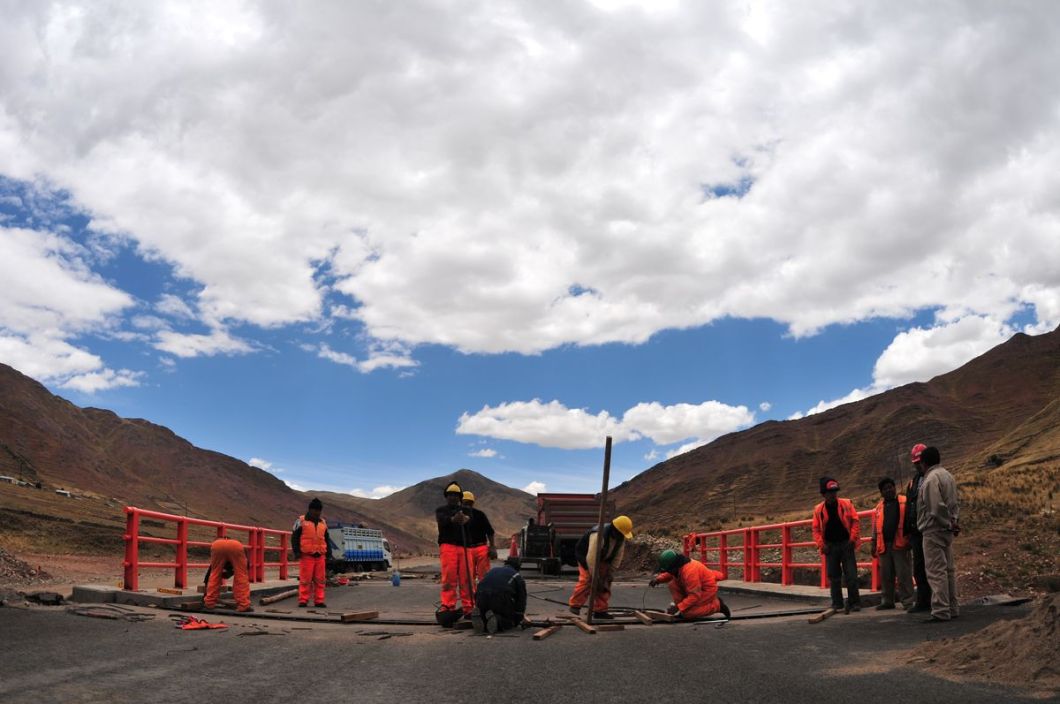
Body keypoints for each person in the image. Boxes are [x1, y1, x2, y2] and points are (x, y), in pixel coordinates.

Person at [916, 446, 960, 622]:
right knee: (949, 570)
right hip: (947, 529)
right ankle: (952, 607)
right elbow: (954, 503)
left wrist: (946, 522)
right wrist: (954, 522)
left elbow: (935, 508)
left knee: (936, 571)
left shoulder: (930, 480)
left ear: (924, 463)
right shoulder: (948, 476)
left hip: (933, 529)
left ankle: (941, 609)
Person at [568, 515, 633, 619]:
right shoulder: (598, 535)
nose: (622, 536)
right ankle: (575, 605)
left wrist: (609, 572)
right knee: (588, 580)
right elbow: (591, 558)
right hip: (586, 557)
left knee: (604, 583)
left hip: (604, 559)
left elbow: (618, 556)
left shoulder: (620, 538)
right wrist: (595, 576)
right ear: (615, 529)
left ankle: (600, 610)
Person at [812, 477, 862, 612]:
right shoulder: (818, 510)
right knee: (833, 576)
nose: (833, 495)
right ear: (824, 494)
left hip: (846, 544)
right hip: (830, 546)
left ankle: (855, 602)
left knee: (851, 575)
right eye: (830, 492)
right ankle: (837, 603)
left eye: (834, 492)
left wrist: (852, 539)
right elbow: (815, 530)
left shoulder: (846, 504)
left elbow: (855, 521)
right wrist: (822, 545)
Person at [435, 481, 475, 626]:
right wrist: (453, 519)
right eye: (450, 494)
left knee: (467, 578)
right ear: (446, 496)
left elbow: (470, 520)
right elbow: (443, 521)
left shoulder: (466, 510)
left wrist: (465, 519)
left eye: (456, 495)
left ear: (460, 497)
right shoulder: (441, 510)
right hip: (448, 546)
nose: (453, 497)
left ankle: (469, 607)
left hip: (464, 547)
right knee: (449, 578)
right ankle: (448, 606)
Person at [871, 477, 914, 610]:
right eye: (885, 489)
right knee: (886, 576)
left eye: (890, 487)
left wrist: (911, 540)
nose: (889, 490)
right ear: (881, 492)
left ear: (894, 488)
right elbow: (875, 528)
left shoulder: (904, 502)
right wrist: (873, 544)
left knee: (903, 575)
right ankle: (887, 601)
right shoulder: (879, 508)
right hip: (884, 545)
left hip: (901, 544)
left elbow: (911, 521)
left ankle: (908, 602)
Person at [649, 549, 730, 619]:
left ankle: (717, 605)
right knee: (672, 584)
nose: (668, 571)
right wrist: (658, 579)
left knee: (688, 613)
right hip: (696, 589)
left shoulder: (690, 572)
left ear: (674, 567)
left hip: (706, 590)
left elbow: (694, 596)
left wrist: (678, 607)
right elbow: (670, 573)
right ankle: (683, 609)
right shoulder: (678, 565)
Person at [904, 443, 933, 613]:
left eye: (920, 462)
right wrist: (907, 531)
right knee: (919, 568)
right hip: (916, 531)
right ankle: (923, 601)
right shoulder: (912, 483)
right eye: (915, 463)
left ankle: (937, 600)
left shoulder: (933, 478)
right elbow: (909, 506)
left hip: (930, 529)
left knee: (933, 566)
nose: (918, 465)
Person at [292, 497, 335, 608]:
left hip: (320, 556)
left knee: (320, 580)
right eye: (315, 510)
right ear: (310, 509)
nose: (317, 512)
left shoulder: (323, 523)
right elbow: (295, 537)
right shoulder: (301, 521)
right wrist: (296, 552)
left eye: (319, 510)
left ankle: (319, 600)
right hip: (307, 555)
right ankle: (303, 600)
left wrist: (329, 554)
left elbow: (326, 539)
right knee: (305, 579)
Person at [472, 557, 529, 634]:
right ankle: (498, 621)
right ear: (518, 567)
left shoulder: (492, 570)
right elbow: (521, 599)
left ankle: (482, 617)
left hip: (481, 596)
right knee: (508, 620)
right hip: (499, 598)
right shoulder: (517, 576)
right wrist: (518, 617)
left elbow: (480, 587)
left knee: (487, 612)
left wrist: (477, 604)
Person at [202, 537, 253, 612]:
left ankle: (209, 603)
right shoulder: (241, 550)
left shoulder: (220, 547)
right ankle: (243, 605)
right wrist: (232, 573)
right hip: (235, 546)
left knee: (214, 574)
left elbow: (210, 574)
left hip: (217, 545)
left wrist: (205, 595)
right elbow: (246, 568)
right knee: (241, 576)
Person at [462, 490, 497, 585]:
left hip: (481, 548)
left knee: (484, 575)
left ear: (472, 503)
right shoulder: (459, 517)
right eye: (465, 503)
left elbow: (490, 531)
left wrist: (492, 547)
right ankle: (471, 594)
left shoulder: (480, 515)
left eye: (469, 503)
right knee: (469, 576)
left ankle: (484, 592)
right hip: (466, 549)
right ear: (461, 503)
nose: (467, 505)